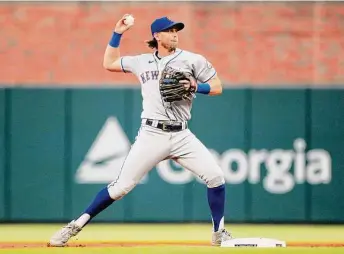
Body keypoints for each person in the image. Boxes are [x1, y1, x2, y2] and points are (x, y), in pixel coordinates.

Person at [49, 14, 232, 247]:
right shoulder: (141, 61)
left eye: (176, 30)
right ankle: (74, 226)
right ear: (156, 36)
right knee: (120, 188)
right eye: (169, 30)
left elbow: (217, 87)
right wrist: (118, 33)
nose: (175, 34)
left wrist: (197, 85)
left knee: (216, 176)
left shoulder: (192, 60)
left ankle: (219, 232)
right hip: (151, 134)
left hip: (181, 134)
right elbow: (109, 63)